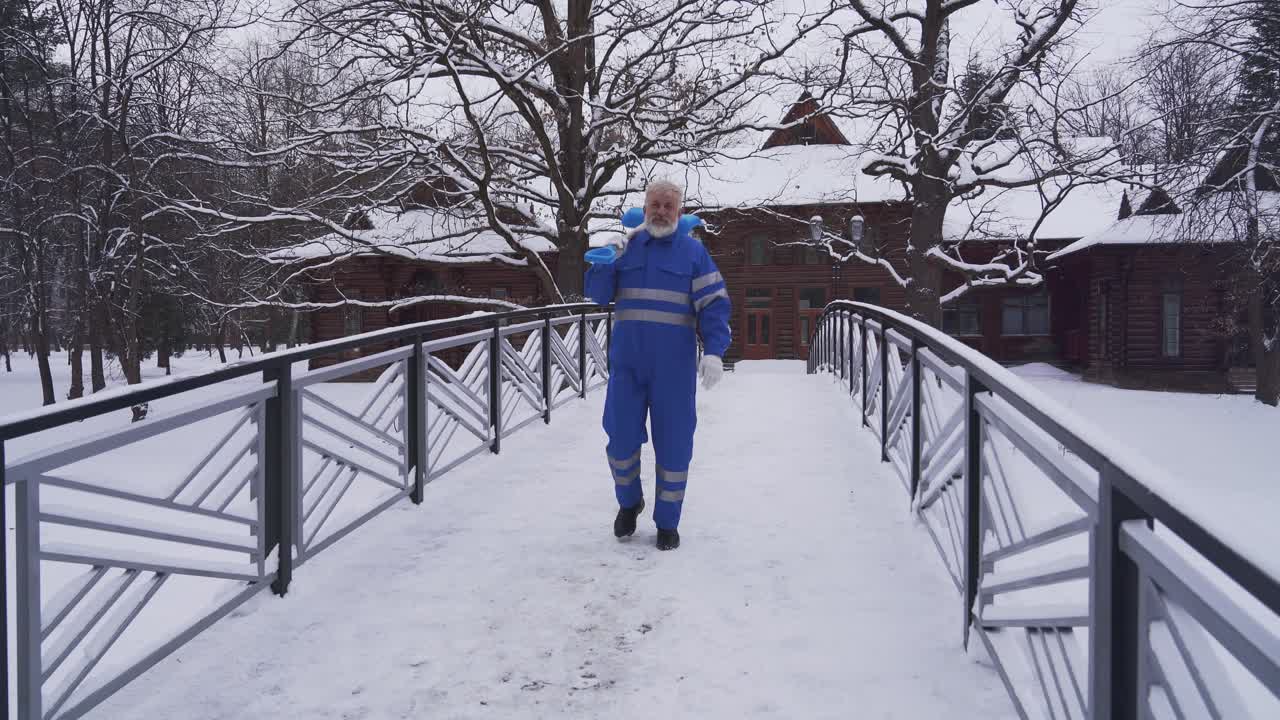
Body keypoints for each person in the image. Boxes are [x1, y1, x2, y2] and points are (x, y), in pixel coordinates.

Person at [584, 179, 732, 551]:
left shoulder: (693, 253)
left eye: (669, 206)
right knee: (619, 440)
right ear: (645, 207)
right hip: (628, 367)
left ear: (678, 213)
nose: (661, 211)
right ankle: (629, 503)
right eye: (656, 204)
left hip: (674, 372)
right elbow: (597, 296)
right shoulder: (627, 247)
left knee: (674, 448)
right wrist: (606, 260)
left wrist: (714, 351)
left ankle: (667, 522)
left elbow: (714, 305)